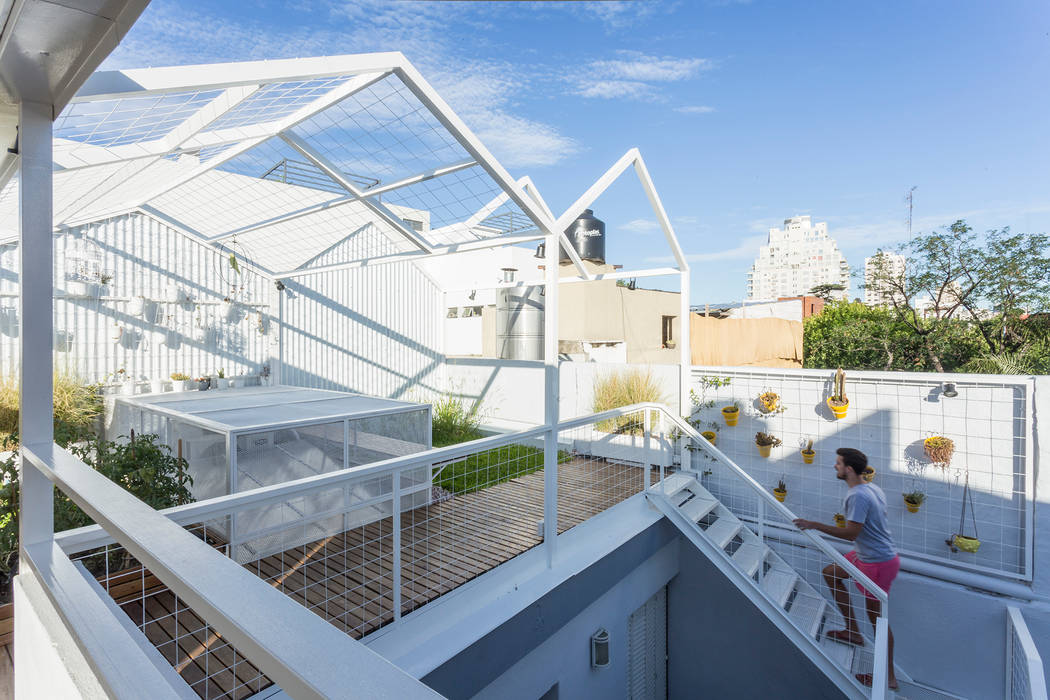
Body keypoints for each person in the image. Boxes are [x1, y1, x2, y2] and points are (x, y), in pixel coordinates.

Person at [793, 447, 900, 691]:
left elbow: (852, 533)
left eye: (838, 463)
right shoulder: (869, 488)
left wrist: (813, 524)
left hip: (877, 561)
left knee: (878, 621)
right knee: (831, 573)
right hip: (866, 554)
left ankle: (889, 678)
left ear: (849, 469)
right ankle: (852, 630)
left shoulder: (859, 496)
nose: (835, 466)